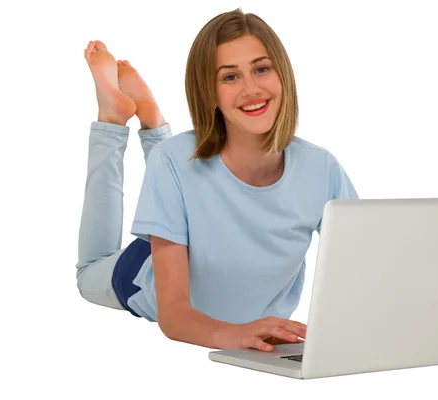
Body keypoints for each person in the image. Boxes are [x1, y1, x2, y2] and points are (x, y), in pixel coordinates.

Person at [75, 9, 358, 353]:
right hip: (147, 271)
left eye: (261, 69)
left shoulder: (322, 168)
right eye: (230, 77)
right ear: (208, 93)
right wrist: (232, 336)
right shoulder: (173, 161)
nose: (251, 89)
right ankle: (112, 120)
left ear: (282, 75)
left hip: (186, 195)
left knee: (177, 167)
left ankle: (152, 120)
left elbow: (366, 264)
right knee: (89, 272)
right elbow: (174, 315)